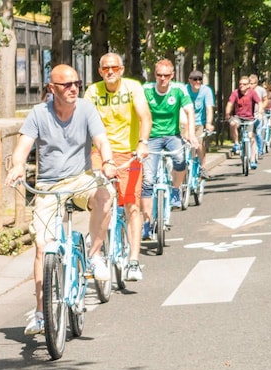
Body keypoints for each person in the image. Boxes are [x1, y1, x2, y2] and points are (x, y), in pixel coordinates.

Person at [5, 64, 118, 335]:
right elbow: (22, 147)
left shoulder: (86, 109)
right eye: (66, 85)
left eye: (76, 83)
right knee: (43, 247)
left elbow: (101, 140)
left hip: (81, 179)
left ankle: (94, 256)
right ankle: (41, 313)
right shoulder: (39, 113)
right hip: (49, 185)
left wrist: (108, 161)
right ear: (51, 88)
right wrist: (18, 165)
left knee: (105, 194)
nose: (73, 88)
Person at [85, 53, 151, 282]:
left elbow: (144, 117)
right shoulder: (92, 92)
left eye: (114, 68)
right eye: (105, 68)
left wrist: (142, 143)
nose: (110, 72)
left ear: (121, 69)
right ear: (100, 71)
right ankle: (95, 251)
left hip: (129, 154)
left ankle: (134, 260)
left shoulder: (133, 88)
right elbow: (84, 121)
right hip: (100, 153)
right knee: (97, 200)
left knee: (131, 205)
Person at [142, 58, 197, 231]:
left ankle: (175, 189)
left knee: (180, 160)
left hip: (172, 135)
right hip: (151, 137)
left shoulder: (179, 90)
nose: (163, 79)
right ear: (155, 75)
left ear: (172, 75)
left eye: (166, 75)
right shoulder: (146, 90)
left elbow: (189, 111)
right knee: (148, 180)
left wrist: (191, 133)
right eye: (159, 75)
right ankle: (146, 222)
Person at [225, 76, 263, 169]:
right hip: (238, 117)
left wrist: (260, 112)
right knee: (233, 123)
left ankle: (253, 160)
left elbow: (260, 102)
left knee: (251, 137)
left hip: (249, 118)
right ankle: (236, 144)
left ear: (248, 86)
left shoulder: (252, 93)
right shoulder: (235, 93)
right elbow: (230, 103)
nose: (242, 86)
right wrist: (227, 113)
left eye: (244, 84)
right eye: (240, 84)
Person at [186, 70, 215, 179]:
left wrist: (208, 123)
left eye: (200, 79)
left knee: (198, 145)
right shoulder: (185, 90)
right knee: (184, 145)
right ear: (190, 80)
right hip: (186, 122)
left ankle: (203, 168)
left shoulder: (206, 90)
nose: (198, 81)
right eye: (195, 79)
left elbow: (209, 109)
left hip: (199, 123)